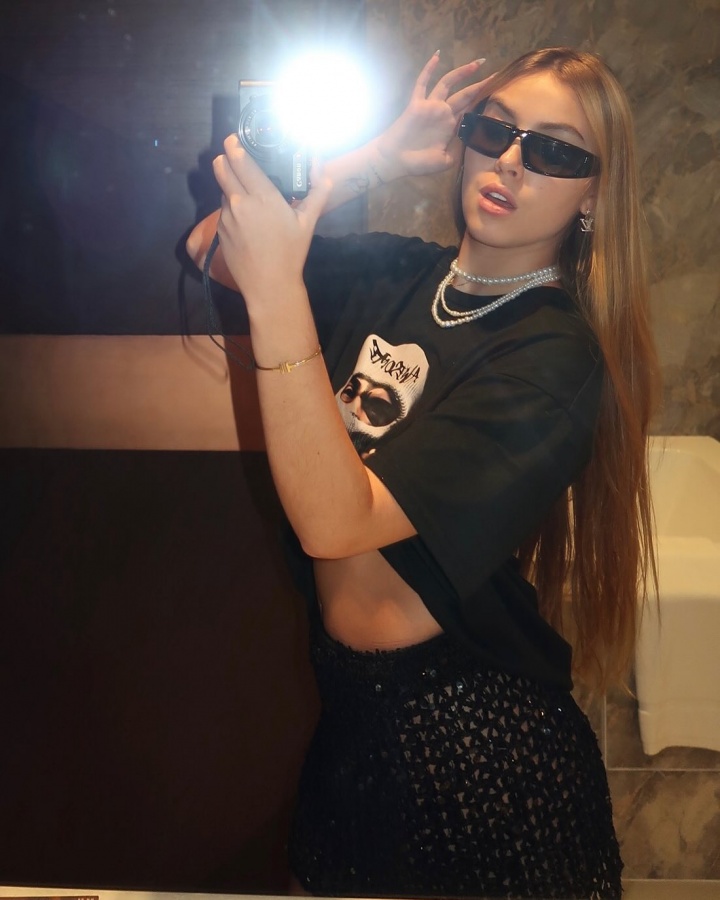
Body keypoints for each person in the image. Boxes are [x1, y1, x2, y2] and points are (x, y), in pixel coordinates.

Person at [187, 46, 658, 899]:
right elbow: (211, 249)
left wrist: (279, 291)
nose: (510, 161)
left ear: (593, 194)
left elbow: (335, 522)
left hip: (483, 759)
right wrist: (368, 160)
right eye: (494, 129)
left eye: (555, 152)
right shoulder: (398, 271)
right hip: (351, 734)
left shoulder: (554, 355)